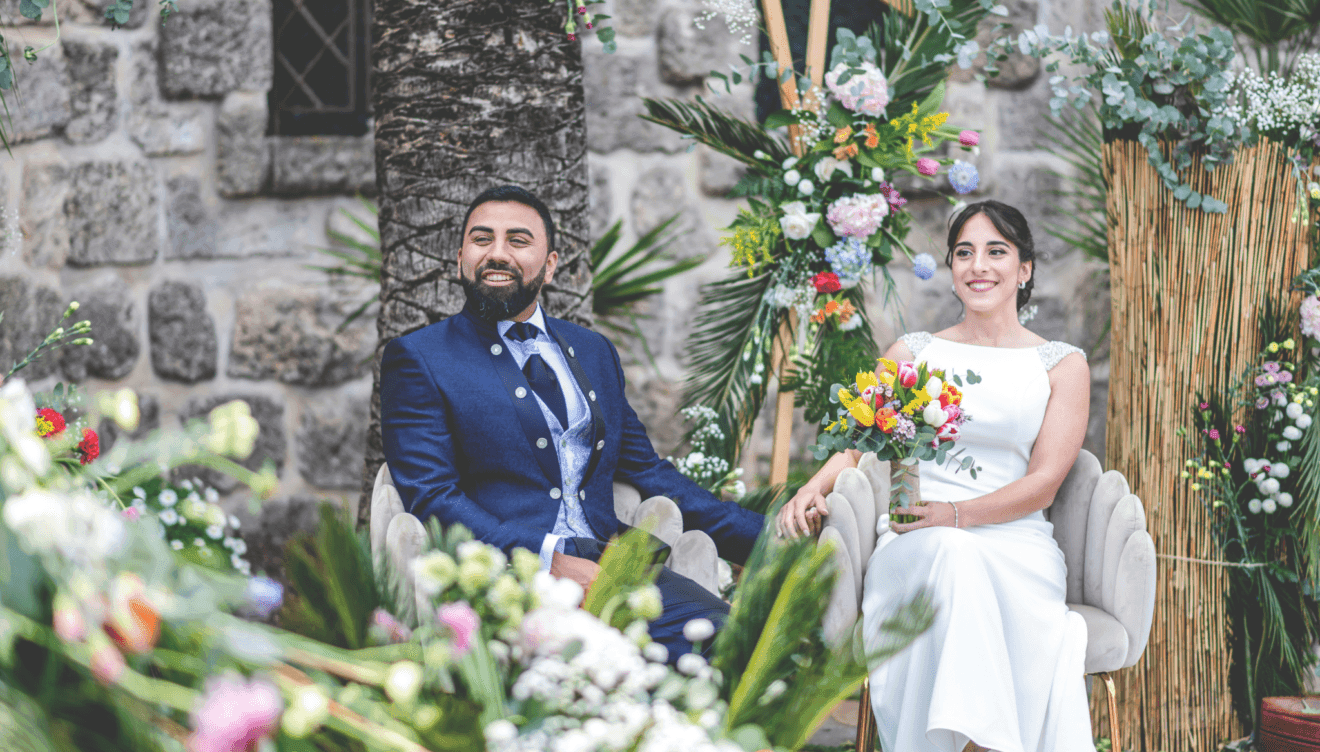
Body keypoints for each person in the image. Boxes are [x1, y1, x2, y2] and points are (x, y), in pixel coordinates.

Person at [380, 185, 765, 661]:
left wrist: (767, 540)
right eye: (482, 239)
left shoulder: (593, 351)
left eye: (518, 240)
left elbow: (648, 473)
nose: (497, 253)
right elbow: (433, 495)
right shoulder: (420, 358)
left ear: (551, 263)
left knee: (730, 638)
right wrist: (550, 561)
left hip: (615, 567)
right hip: (503, 578)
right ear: (461, 258)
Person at [777, 200, 1095, 752]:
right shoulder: (913, 352)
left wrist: (956, 516)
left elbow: (1044, 483)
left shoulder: (1063, 364)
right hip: (914, 541)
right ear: (950, 270)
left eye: (997, 252)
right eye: (964, 253)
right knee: (952, 553)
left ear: (1024, 270)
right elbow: (858, 444)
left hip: (1017, 543)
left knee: (961, 549)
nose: (979, 266)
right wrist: (811, 487)